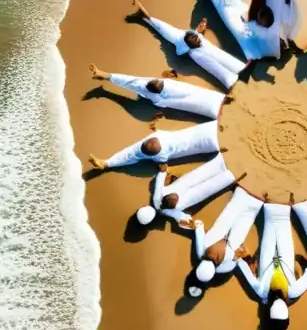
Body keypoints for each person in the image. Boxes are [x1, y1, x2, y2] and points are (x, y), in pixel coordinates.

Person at [130, 0, 246, 90]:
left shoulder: (195, 36)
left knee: (226, 59)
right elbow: (155, 22)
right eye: (195, 40)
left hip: (207, 50)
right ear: (188, 44)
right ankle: (232, 83)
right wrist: (140, 5)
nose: (198, 39)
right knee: (217, 69)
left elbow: (199, 30)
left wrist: (203, 22)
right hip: (199, 55)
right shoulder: (182, 43)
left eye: (196, 38)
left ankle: (242, 70)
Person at [238, 199, 307, 329]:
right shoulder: (294, 291)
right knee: (284, 219)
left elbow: (245, 272)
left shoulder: (261, 292)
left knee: (269, 216)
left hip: (268, 251)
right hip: (285, 251)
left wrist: (239, 258)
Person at [186, 187, 265, 296]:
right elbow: (199, 228)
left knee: (241, 222)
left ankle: (254, 202)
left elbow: (235, 261)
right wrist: (196, 225)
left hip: (228, 244)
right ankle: (244, 195)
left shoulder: (223, 268)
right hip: (226, 243)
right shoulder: (202, 251)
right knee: (232, 217)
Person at [137, 154, 244, 226]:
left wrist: (162, 172)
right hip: (192, 192)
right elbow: (183, 218)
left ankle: (228, 174)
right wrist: (162, 171)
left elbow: (182, 218)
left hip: (188, 188)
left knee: (207, 181)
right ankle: (224, 170)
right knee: (206, 181)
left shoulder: (165, 207)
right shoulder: (160, 201)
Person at [89, 65, 228, 119]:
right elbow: (128, 81)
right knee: (202, 102)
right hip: (175, 99)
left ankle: (104, 78)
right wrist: (104, 74)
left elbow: (128, 81)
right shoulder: (157, 90)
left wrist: (105, 74)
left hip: (170, 99)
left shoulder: (154, 91)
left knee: (201, 100)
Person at [87, 120, 225, 170]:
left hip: (205, 144)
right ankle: (107, 163)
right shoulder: (158, 136)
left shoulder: (161, 155)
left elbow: (163, 163)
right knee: (131, 154)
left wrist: (162, 167)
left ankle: (107, 163)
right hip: (206, 131)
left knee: (131, 155)